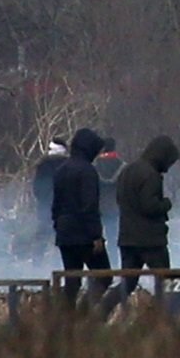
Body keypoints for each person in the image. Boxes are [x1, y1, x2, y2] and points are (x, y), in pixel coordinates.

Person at [105, 135, 180, 316]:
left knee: (127, 283)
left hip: (128, 239)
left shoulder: (127, 170)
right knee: (165, 282)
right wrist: (166, 204)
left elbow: (119, 199)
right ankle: (166, 319)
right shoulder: (151, 175)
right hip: (151, 241)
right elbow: (150, 206)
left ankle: (100, 312)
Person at [52, 128, 112, 305]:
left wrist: (58, 225)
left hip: (65, 235)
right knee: (104, 276)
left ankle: (66, 319)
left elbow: (55, 205)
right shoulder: (87, 171)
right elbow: (89, 207)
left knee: (72, 280)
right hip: (85, 235)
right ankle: (85, 314)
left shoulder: (61, 170)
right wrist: (96, 236)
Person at [31, 141, 67, 235]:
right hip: (67, 209)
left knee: (43, 234)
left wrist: (42, 199)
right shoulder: (71, 165)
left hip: (46, 206)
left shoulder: (43, 165)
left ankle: (37, 249)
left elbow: (37, 187)